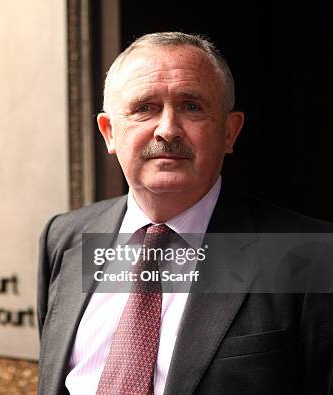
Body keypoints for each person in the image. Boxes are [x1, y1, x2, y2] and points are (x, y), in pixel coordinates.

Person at [37, 32, 333, 395]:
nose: (167, 129)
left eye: (191, 106)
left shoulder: (312, 257)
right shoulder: (65, 238)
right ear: (109, 132)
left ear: (229, 131)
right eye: (144, 107)